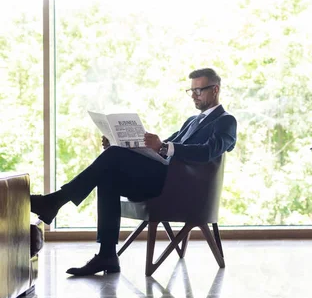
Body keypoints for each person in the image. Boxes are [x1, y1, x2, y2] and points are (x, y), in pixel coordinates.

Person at [30, 68, 237, 276]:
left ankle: (55, 201)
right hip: (164, 181)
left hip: (182, 190)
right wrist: (125, 143)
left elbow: (208, 151)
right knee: (109, 172)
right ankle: (107, 254)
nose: (193, 95)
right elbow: (163, 149)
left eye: (198, 90)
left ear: (215, 90)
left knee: (113, 158)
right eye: (191, 91)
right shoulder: (192, 121)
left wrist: (164, 147)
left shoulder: (226, 121)